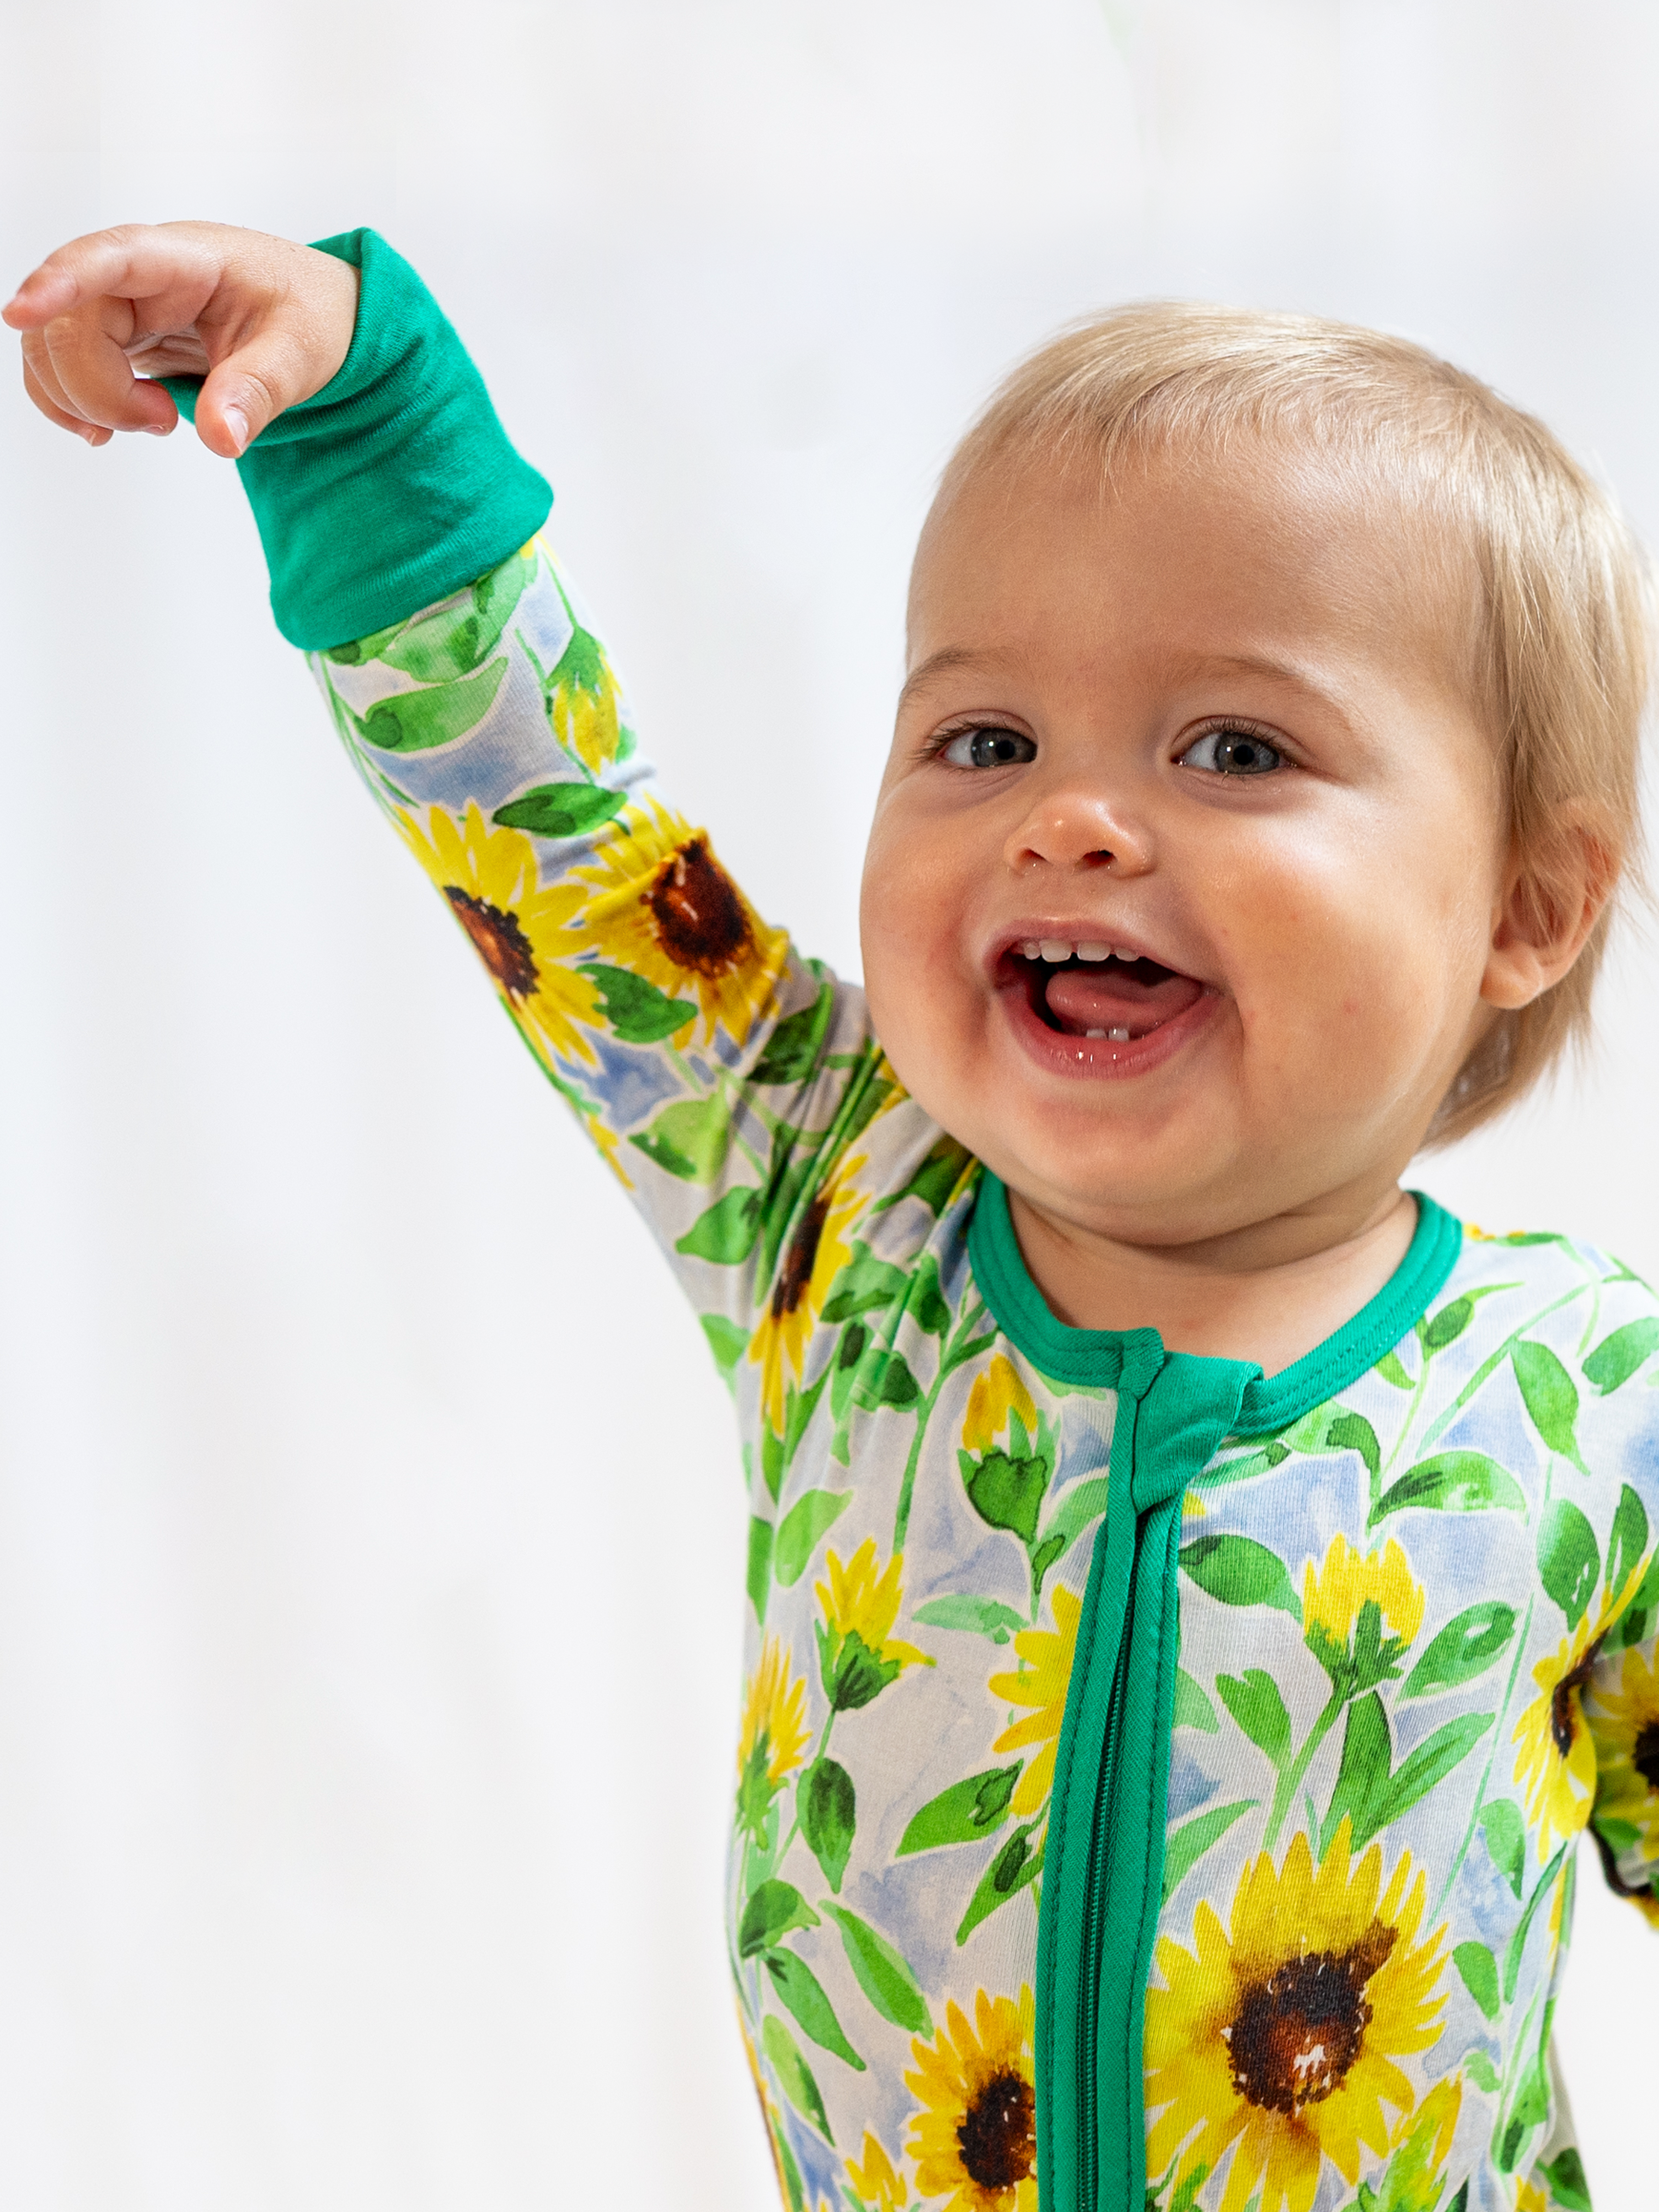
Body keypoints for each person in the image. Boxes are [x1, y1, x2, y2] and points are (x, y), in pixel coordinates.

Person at [8, 219, 1657, 2212]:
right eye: (984, 740)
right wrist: (367, 417)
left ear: (1526, 908)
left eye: (1236, 747)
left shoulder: (1591, 1403)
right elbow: (555, 840)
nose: (1075, 818)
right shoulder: (829, 1196)